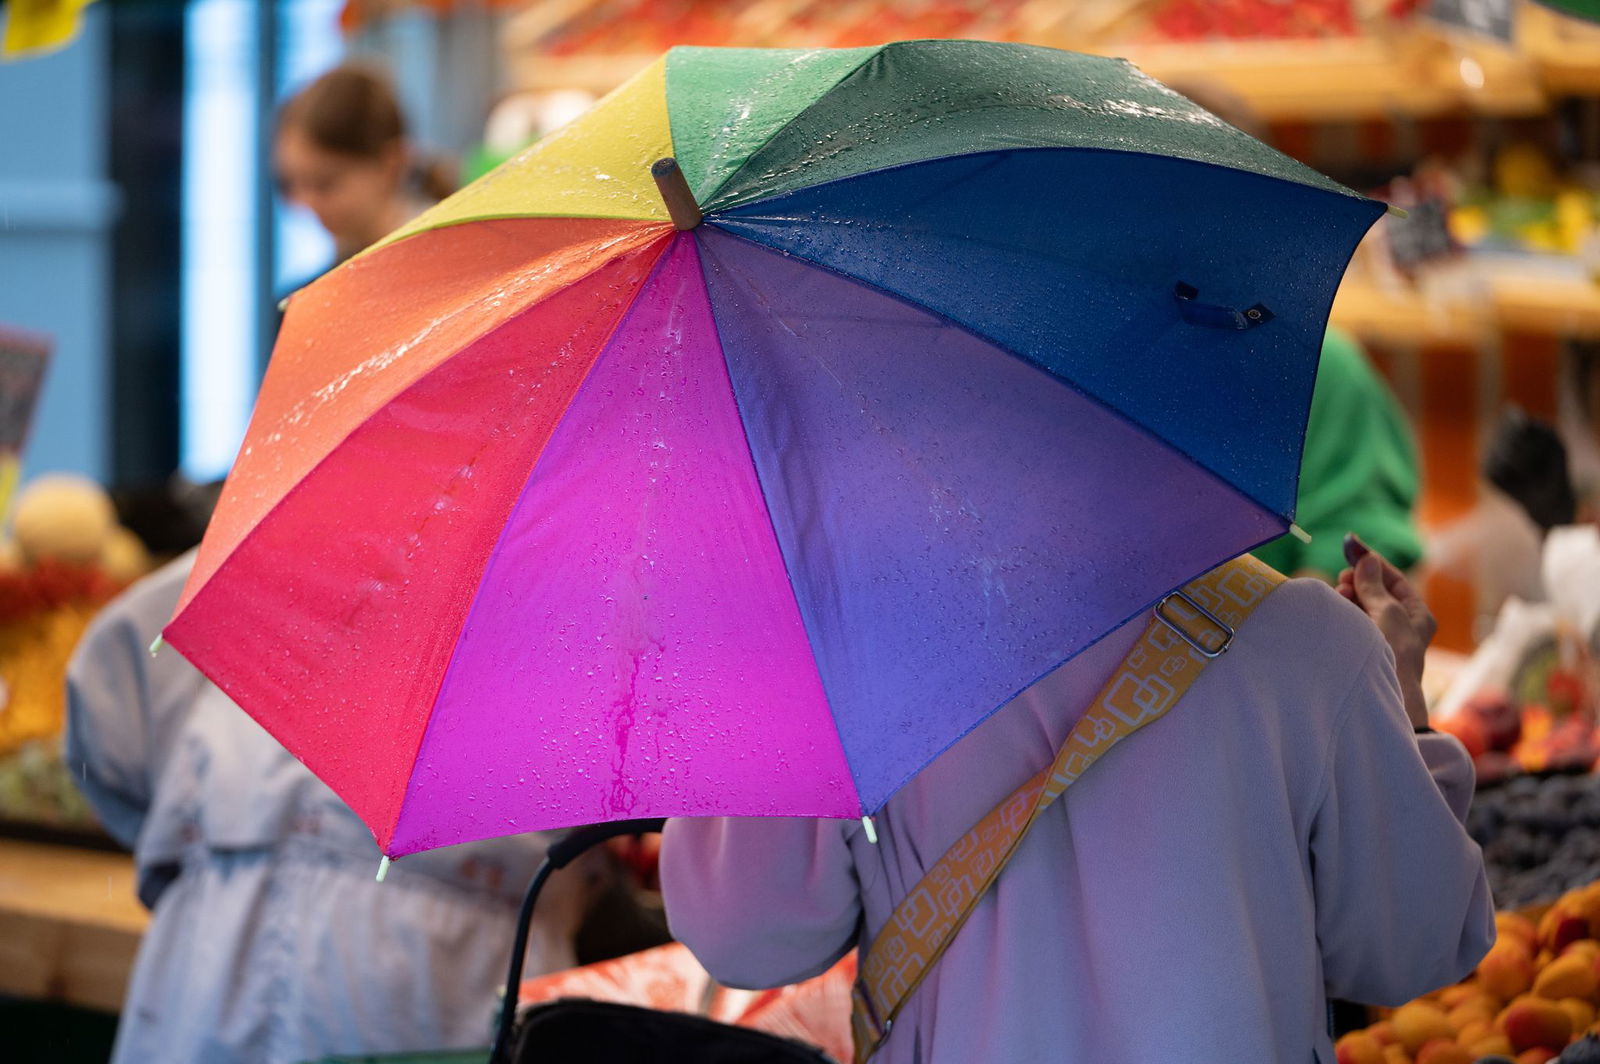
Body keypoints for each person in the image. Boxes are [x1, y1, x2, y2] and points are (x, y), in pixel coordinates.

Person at [660, 542, 1493, 1063]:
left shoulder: (839, 644)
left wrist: (757, 666)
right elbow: (1414, 947)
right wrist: (1404, 706)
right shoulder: (1310, 642)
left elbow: (746, 935)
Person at [66, 553, 600, 1064]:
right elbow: (115, 713)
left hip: (442, 988)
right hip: (230, 974)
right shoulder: (277, 549)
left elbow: (110, 718)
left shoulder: (594, 586)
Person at [273, 64, 455, 268]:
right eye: (291, 184)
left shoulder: (444, 257)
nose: (307, 202)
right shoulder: (344, 264)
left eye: (325, 183)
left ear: (391, 166)